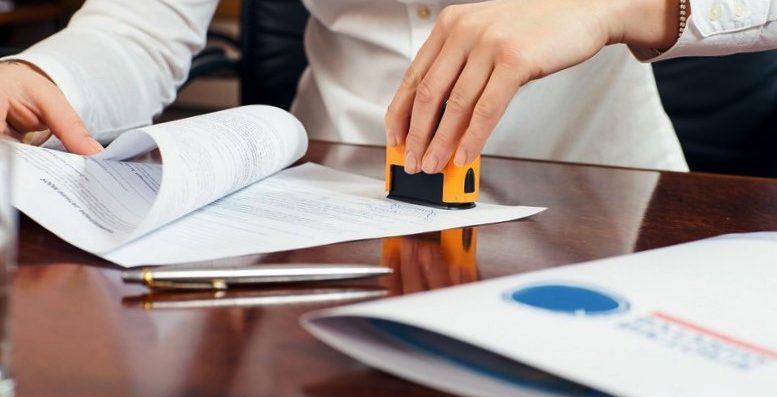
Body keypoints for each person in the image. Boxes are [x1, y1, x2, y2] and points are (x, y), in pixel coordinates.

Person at [0, 0, 773, 172]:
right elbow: (141, 24)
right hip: (318, 212)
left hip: (599, 202)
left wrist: (623, 5)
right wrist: (39, 73)